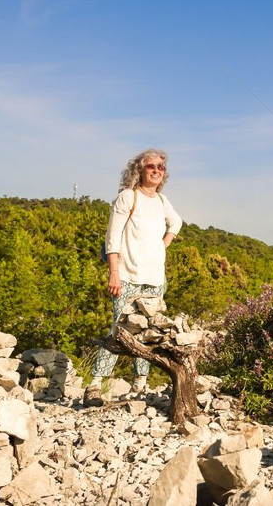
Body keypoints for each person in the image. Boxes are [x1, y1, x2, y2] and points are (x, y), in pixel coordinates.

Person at [83, 148, 182, 407]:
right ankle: (95, 386)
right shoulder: (128, 197)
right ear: (140, 169)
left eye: (161, 167)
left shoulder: (162, 202)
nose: (157, 170)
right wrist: (113, 272)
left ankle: (140, 384)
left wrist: (162, 246)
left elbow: (176, 223)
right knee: (120, 329)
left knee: (148, 332)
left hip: (155, 279)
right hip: (126, 275)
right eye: (151, 166)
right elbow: (112, 237)